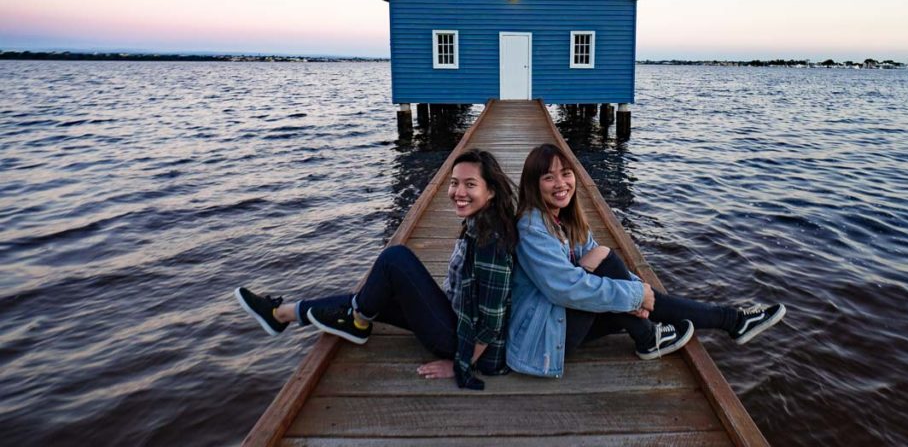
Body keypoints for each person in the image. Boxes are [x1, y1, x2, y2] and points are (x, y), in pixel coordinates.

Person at [235, 148, 517, 390]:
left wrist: (460, 366)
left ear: (490, 191)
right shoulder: (479, 225)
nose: (458, 192)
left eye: (470, 184)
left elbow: (492, 321)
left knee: (395, 259)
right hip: (456, 320)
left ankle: (353, 319)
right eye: (454, 183)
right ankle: (282, 314)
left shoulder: (490, 241)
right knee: (374, 296)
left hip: (460, 341)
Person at [507, 143, 785, 378]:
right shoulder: (532, 227)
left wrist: (639, 292)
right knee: (608, 262)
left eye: (566, 174)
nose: (561, 184)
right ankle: (658, 336)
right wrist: (636, 294)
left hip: (559, 321)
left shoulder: (564, 219)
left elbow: (594, 265)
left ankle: (729, 321)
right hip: (541, 340)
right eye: (548, 177)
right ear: (533, 185)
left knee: (620, 280)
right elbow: (565, 288)